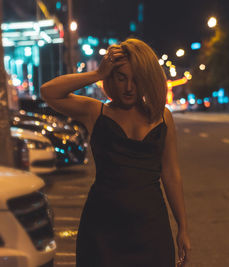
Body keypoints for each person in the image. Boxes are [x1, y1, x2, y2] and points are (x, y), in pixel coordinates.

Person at [40, 38, 191, 266]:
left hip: (150, 227)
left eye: (136, 80)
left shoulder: (162, 116)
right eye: (122, 78)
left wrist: (183, 227)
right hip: (102, 228)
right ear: (111, 78)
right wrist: (96, 74)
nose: (129, 87)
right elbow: (49, 92)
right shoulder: (95, 112)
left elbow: (171, 173)